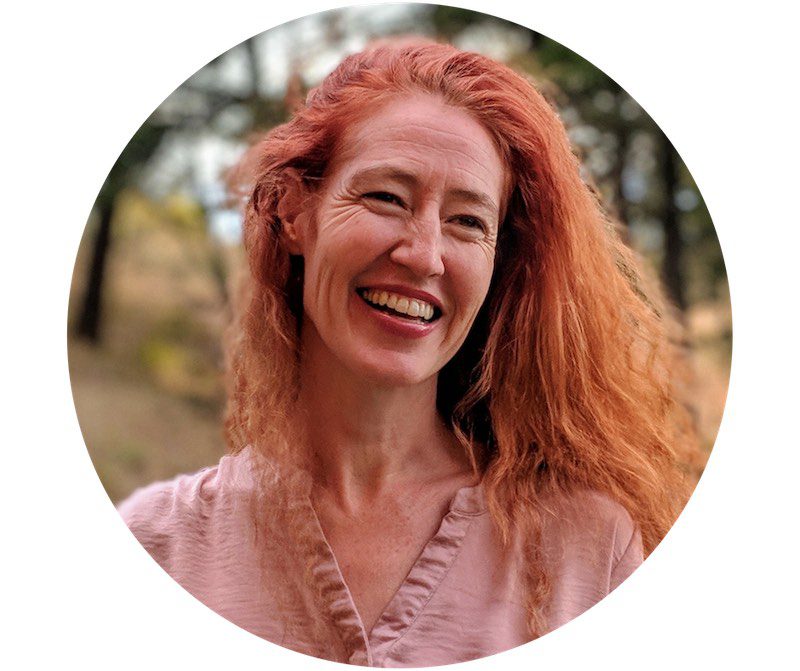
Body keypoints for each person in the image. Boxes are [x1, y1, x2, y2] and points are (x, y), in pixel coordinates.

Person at [119, 39, 698, 666]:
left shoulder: (592, 552)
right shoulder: (155, 546)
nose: (424, 256)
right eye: (386, 198)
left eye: (468, 222)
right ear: (293, 213)